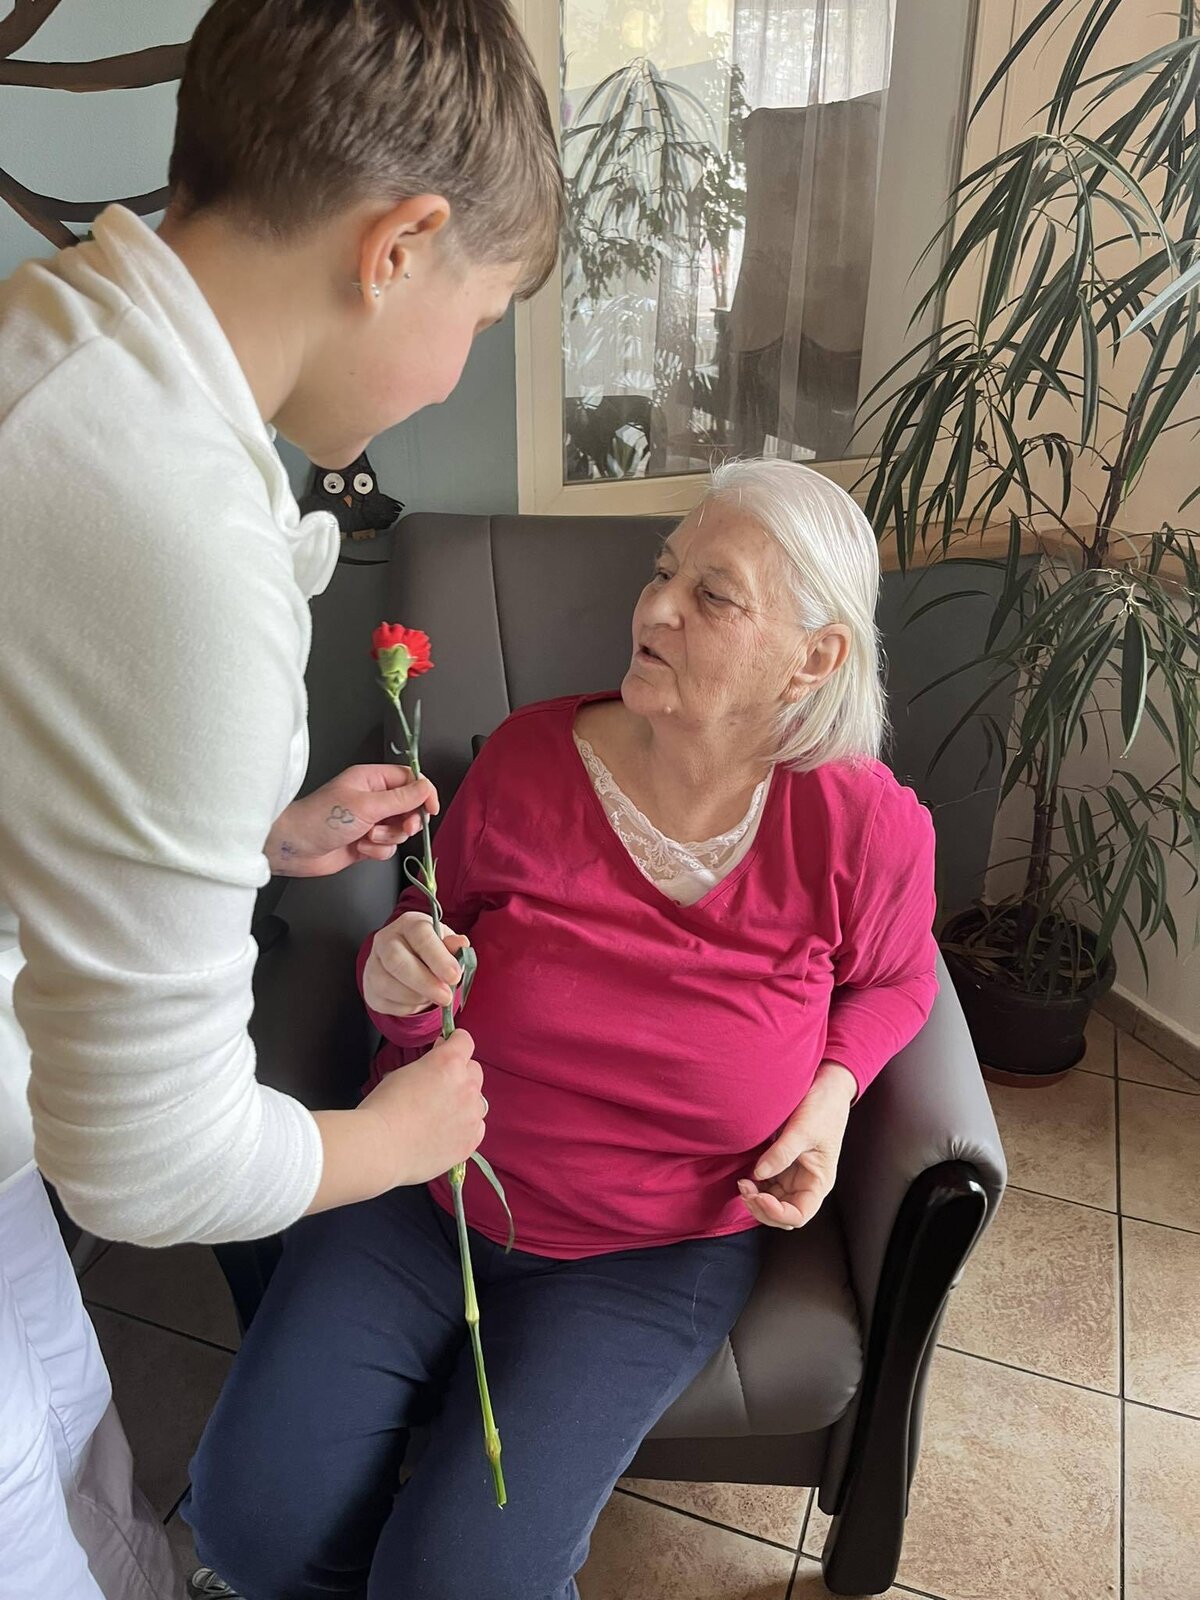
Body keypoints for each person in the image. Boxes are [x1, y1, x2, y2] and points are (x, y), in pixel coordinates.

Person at [0, 2, 562, 1596]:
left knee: (64, 1418)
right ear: (402, 246)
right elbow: (146, 1162)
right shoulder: (175, 529)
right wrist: (390, 1139)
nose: (458, 370)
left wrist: (250, 841)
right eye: (484, 313)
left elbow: (38, 759)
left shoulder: (54, 332)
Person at [185, 459, 941, 1600]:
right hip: (420, 1189)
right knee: (249, 1528)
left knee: (457, 1581)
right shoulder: (529, 759)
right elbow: (425, 939)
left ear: (814, 656)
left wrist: (833, 1093)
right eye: (663, 571)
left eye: (713, 594)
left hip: (646, 1255)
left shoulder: (863, 825)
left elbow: (898, 980)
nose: (655, 606)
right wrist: (397, 975)